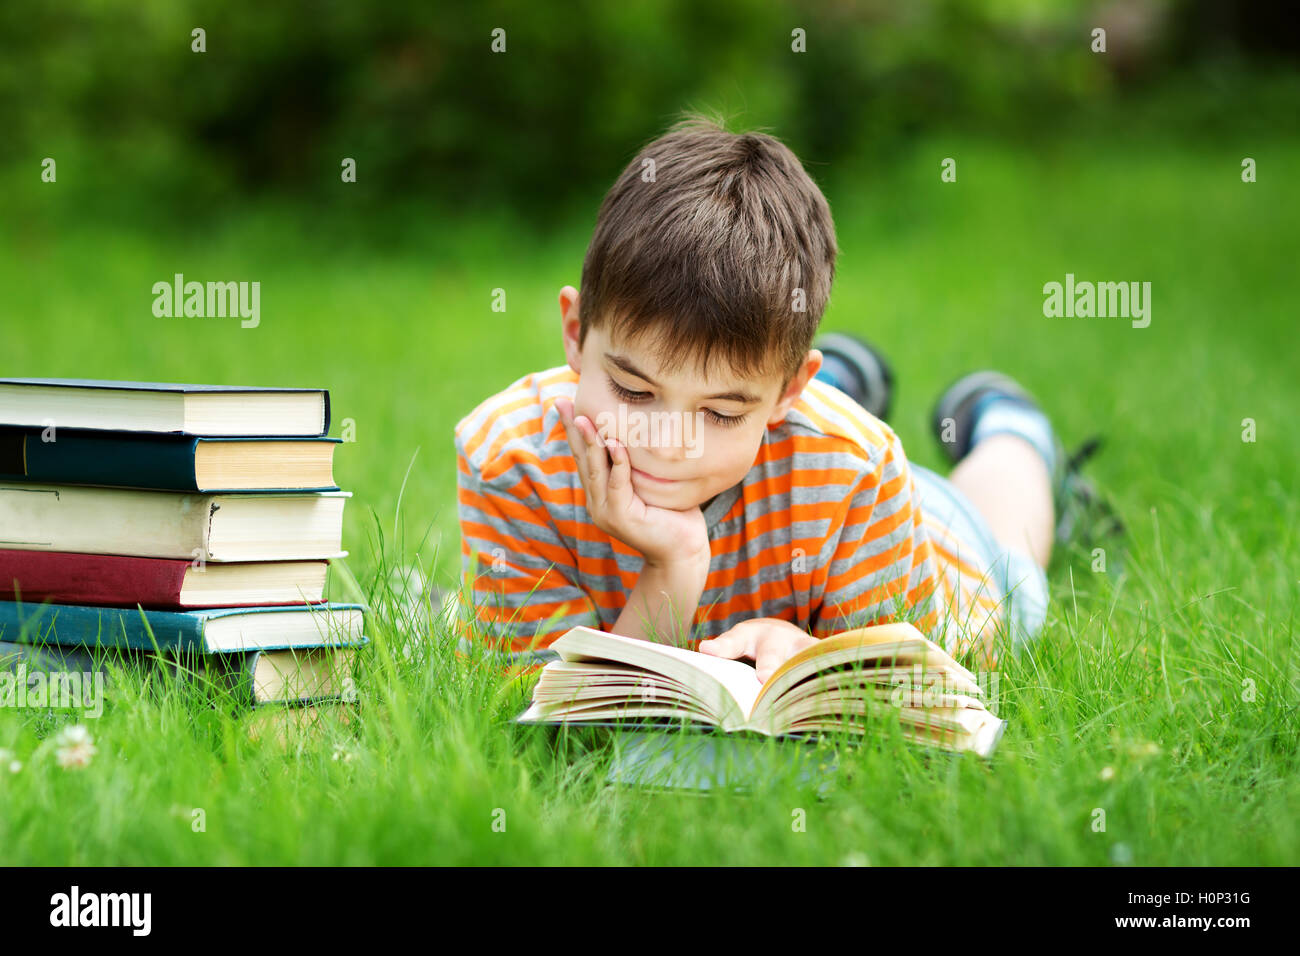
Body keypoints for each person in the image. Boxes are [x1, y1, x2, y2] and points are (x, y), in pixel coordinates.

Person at [453, 115, 1108, 680]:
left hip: (901, 530)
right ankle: (843, 378)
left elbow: (907, 688)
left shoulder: (857, 471)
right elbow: (550, 708)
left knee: (1007, 549)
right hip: (793, 463)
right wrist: (673, 568)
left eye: (721, 411)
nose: (667, 443)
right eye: (632, 389)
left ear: (789, 390)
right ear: (575, 332)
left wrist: (819, 656)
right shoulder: (512, 461)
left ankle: (1008, 422)